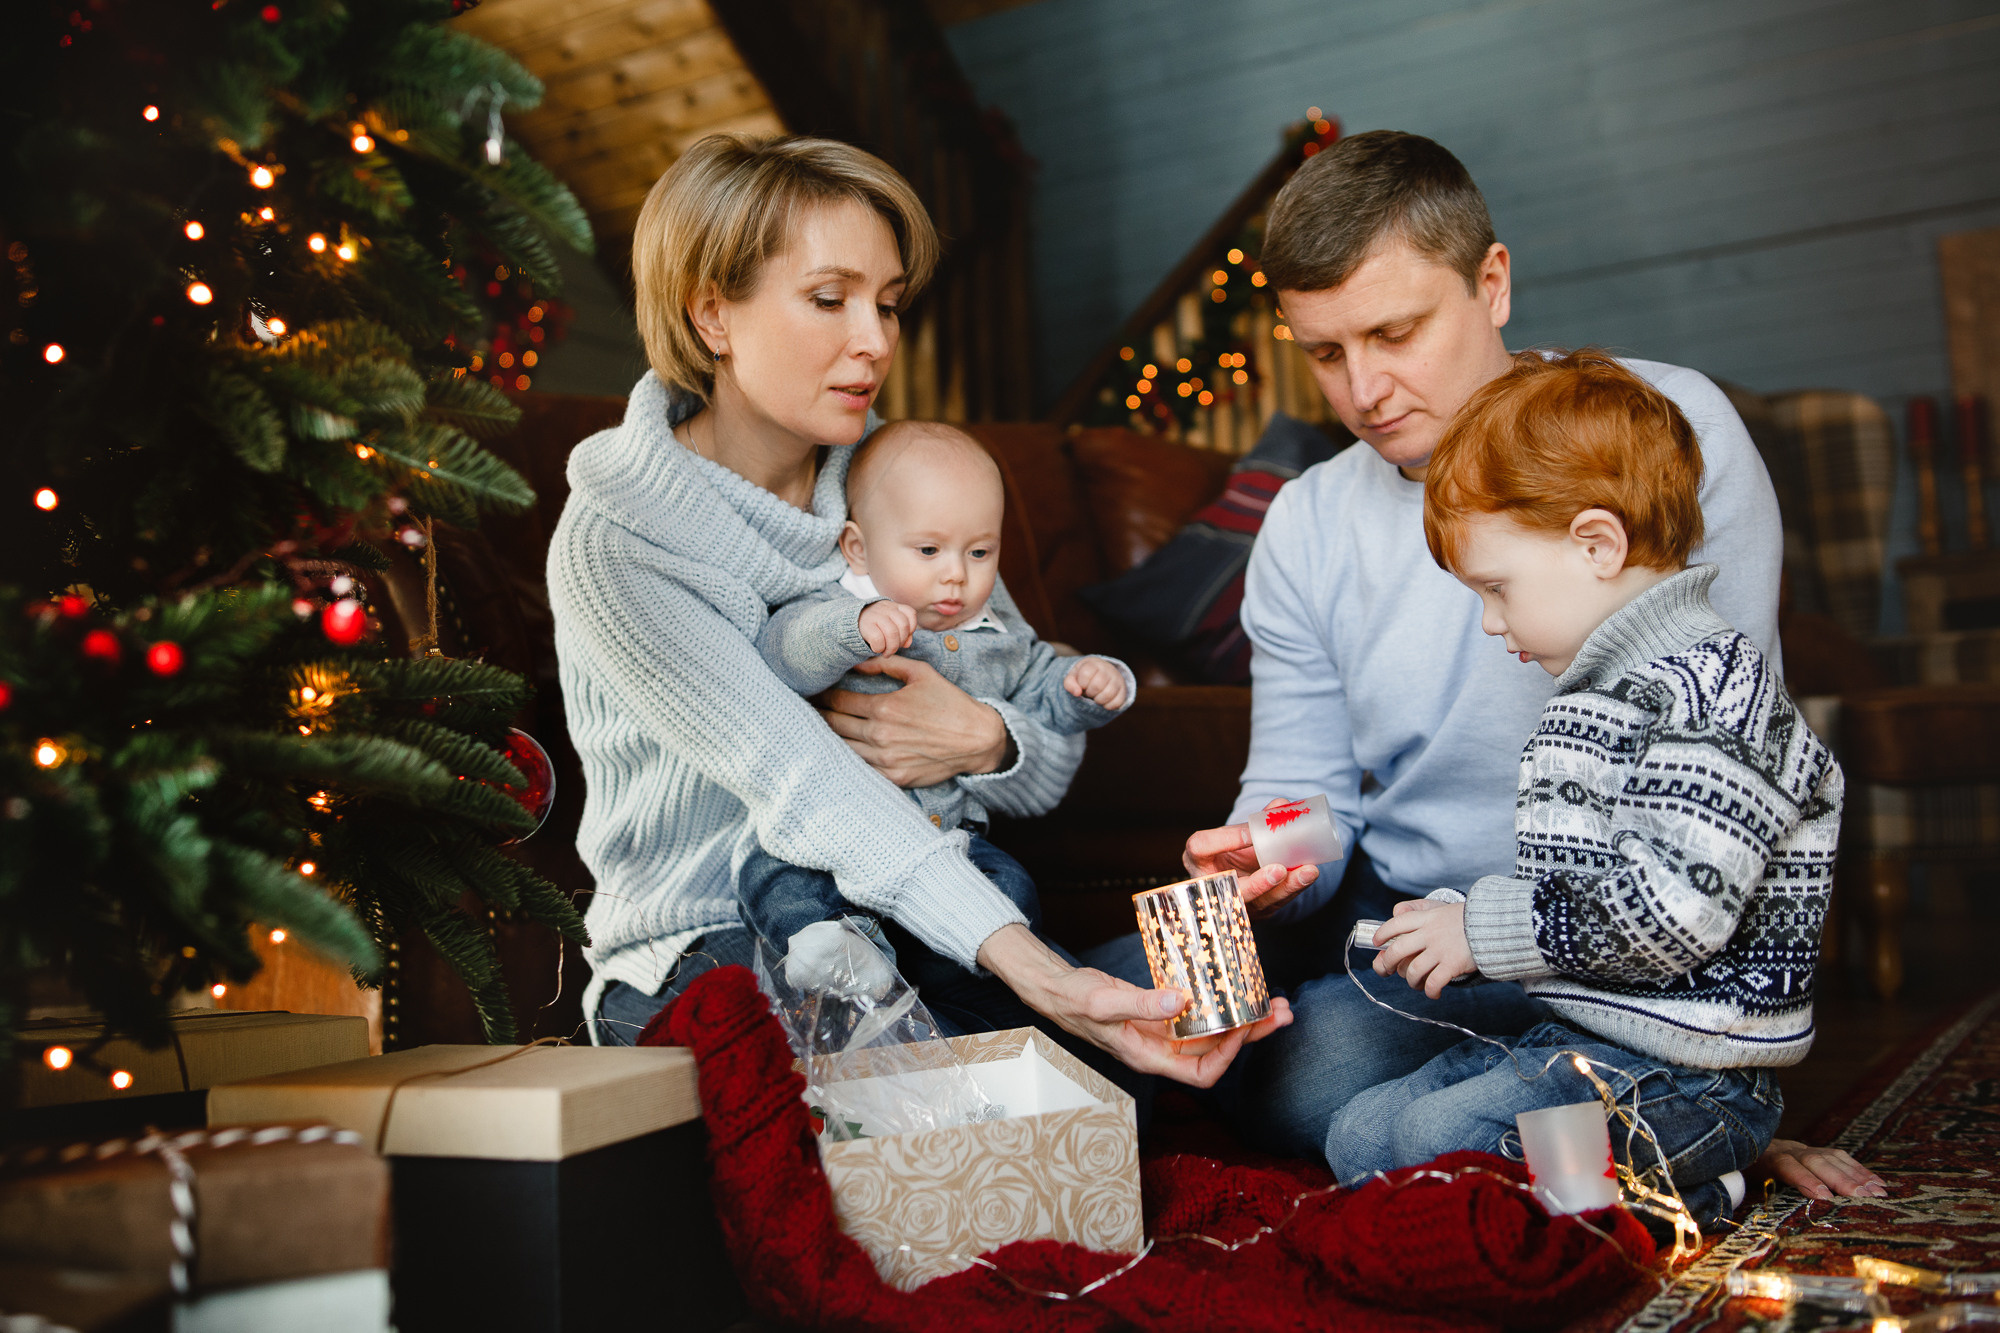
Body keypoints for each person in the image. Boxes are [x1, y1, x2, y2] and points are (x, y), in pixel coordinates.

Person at [1161, 129, 1883, 1201]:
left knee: (1355, 1121)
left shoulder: (1665, 434)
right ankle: (1585, 1128)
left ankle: (1665, 1121)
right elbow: (1306, 793)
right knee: (1234, 1055)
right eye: (1322, 353)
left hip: (1645, 941)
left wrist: (1702, 1048)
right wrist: (1263, 860)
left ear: (1490, 283)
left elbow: (1726, 781)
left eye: (1393, 332)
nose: (1362, 390)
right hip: (1432, 934)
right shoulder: (1307, 521)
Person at [545, 132, 1286, 1080]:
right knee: (912, 1099)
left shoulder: (907, 483)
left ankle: (1111, 1003)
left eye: (889, 304)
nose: (877, 341)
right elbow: (804, 781)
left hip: (913, 909)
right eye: (829, 299)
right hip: (704, 941)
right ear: (711, 315)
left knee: (1110, 1092)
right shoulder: (623, 538)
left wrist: (984, 737)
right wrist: (1042, 979)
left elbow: (1041, 753)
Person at [1320, 348, 1842, 1229]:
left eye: (1496, 587)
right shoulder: (1594, 692)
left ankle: (1703, 1186)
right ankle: (1609, 1193)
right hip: (1584, 1038)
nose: (1492, 622)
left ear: (1596, 543)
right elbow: (1578, 889)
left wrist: (1486, 927)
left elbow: (1673, 915)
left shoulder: (1717, 696)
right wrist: (1451, 916)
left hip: (1694, 1074)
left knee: (1430, 1149)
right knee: (1360, 1136)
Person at [741, 418, 1134, 994]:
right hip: (833, 836)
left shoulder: (994, 631)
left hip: (950, 841)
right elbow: (782, 652)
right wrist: (851, 629)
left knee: (1012, 888)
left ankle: (952, 981)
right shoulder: (840, 602)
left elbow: (1039, 688)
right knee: (783, 883)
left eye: (979, 551)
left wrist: (1087, 685)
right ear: (858, 547)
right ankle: (845, 962)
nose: (955, 575)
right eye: (928, 550)